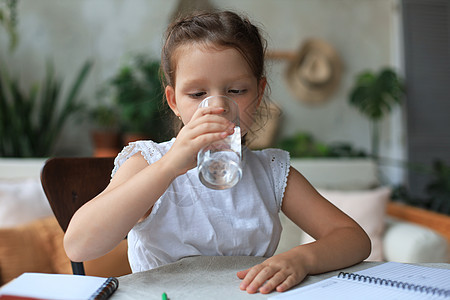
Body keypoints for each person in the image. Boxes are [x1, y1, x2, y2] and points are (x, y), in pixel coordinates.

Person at [64, 10, 371, 294]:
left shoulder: (270, 172)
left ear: (259, 93)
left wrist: (302, 259)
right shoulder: (150, 162)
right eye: (197, 94)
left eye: (237, 91)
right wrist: (170, 166)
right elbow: (79, 245)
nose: (220, 105)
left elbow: (354, 238)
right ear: (173, 101)